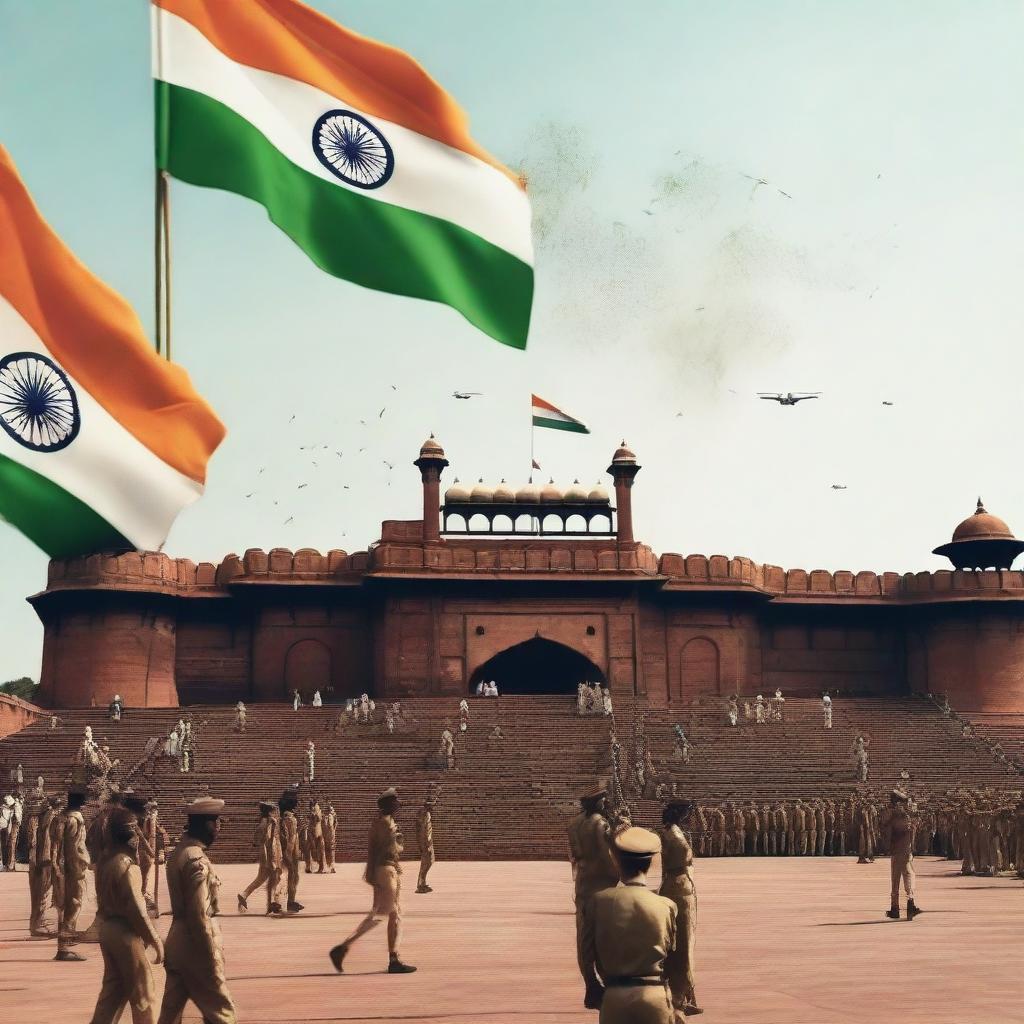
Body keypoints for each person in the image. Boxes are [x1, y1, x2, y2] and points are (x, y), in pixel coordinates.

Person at [580, 826, 678, 1022]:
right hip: (654, 995)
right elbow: (674, 959)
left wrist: (592, 985)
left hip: (615, 995)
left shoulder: (598, 902)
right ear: (650, 863)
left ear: (617, 861)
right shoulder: (666, 906)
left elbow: (586, 952)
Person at [157, 797, 237, 1024]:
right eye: (217, 824)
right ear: (210, 826)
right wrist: (209, 956)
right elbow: (198, 913)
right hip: (196, 945)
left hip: (178, 944)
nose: (218, 830)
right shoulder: (196, 860)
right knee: (222, 1013)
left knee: (170, 1015)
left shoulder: (180, 853)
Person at [88, 806, 164, 1024]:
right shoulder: (127, 865)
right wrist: (154, 938)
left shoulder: (105, 862)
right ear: (131, 835)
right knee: (143, 995)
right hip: (125, 934)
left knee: (112, 994)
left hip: (108, 930)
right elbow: (137, 909)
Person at [329, 787, 416, 974]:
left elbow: (372, 851)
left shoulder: (379, 822)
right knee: (385, 914)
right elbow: (391, 849)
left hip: (381, 871)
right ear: (390, 805)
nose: (398, 804)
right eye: (395, 801)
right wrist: (399, 843)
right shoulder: (386, 824)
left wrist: (371, 874)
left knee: (392, 913)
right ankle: (344, 947)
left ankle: (393, 958)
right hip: (387, 871)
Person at [567, 787, 621, 990]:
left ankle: (591, 983)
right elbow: (606, 856)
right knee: (602, 937)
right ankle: (607, 980)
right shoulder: (599, 823)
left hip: (583, 883)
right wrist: (620, 875)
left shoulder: (573, 824)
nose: (605, 804)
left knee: (585, 937)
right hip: (601, 884)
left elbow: (574, 854)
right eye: (603, 801)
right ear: (597, 802)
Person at [55, 785, 90, 961]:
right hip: (73, 867)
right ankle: (65, 947)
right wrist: (81, 867)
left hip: (62, 867)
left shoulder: (62, 817)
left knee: (64, 905)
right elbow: (76, 848)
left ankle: (63, 946)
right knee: (74, 904)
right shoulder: (76, 819)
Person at [880, 790, 920, 920]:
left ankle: (895, 908)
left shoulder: (891, 815)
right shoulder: (901, 817)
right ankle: (910, 904)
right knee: (909, 875)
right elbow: (908, 829)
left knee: (895, 879)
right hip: (903, 850)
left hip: (895, 850)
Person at [238, 801, 282, 915]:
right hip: (270, 853)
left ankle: (244, 894)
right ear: (270, 811)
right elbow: (269, 840)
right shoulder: (269, 822)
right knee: (275, 878)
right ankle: (273, 903)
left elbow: (258, 837)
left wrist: (256, 842)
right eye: (274, 810)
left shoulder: (264, 821)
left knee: (262, 878)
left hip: (267, 852)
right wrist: (273, 859)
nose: (276, 812)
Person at [278, 790, 303, 913]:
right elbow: (291, 838)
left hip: (291, 850)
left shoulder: (285, 816)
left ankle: (288, 901)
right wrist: (289, 854)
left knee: (290, 876)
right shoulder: (290, 818)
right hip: (290, 851)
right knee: (292, 875)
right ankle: (288, 901)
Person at [415, 793, 436, 893]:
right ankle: (421, 884)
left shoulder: (424, 813)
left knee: (428, 862)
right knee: (427, 862)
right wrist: (426, 843)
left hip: (426, 841)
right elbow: (424, 830)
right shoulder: (424, 814)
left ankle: (422, 882)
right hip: (426, 842)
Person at [306, 799, 326, 873]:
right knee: (314, 849)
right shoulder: (314, 812)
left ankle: (320, 867)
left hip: (317, 832)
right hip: (314, 832)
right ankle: (318, 867)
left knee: (318, 849)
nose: (312, 808)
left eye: (313, 806)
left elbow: (317, 820)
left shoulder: (317, 812)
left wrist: (314, 815)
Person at [324, 801, 338, 873]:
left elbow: (335, 823)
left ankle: (332, 867)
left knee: (331, 850)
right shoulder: (327, 816)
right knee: (328, 850)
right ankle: (330, 866)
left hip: (330, 834)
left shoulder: (331, 815)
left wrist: (333, 830)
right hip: (328, 834)